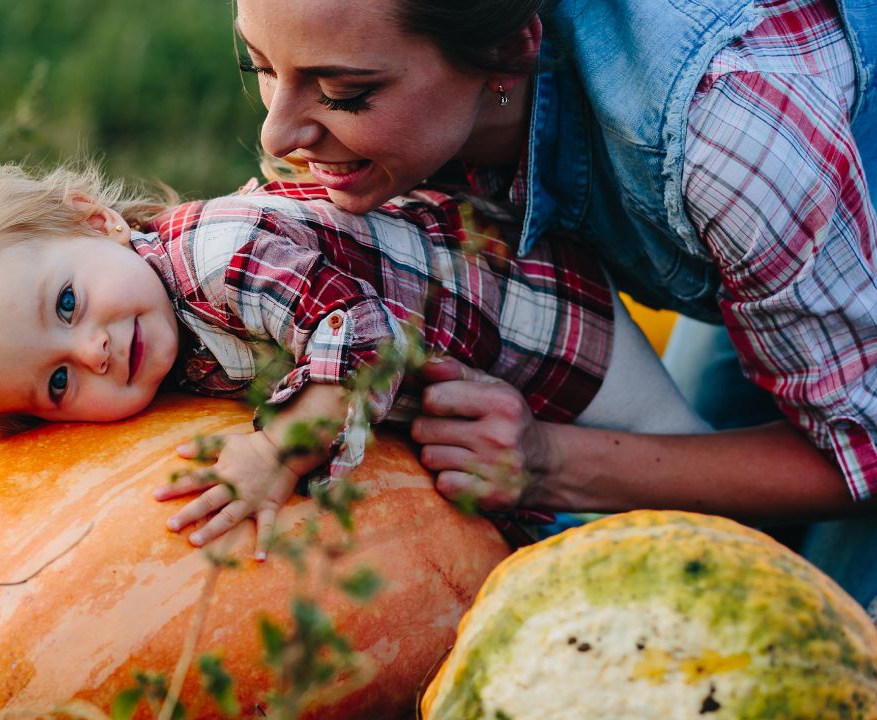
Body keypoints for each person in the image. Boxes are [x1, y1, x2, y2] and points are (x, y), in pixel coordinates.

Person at [230, 0, 877, 601]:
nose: (275, 135)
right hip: (789, 241)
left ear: (511, 54)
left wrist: (547, 462)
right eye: (259, 65)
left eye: (346, 94)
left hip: (795, 183)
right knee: (707, 544)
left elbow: (864, 454)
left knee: (812, 626)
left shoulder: (725, 133)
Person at [0, 160, 708, 557]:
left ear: (93, 220)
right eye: (57, 381)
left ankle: (774, 534)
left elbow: (360, 340)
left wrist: (274, 449)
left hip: (546, 331)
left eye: (66, 304)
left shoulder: (224, 253)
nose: (93, 349)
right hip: (478, 404)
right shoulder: (153, 327)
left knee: (682, 475)